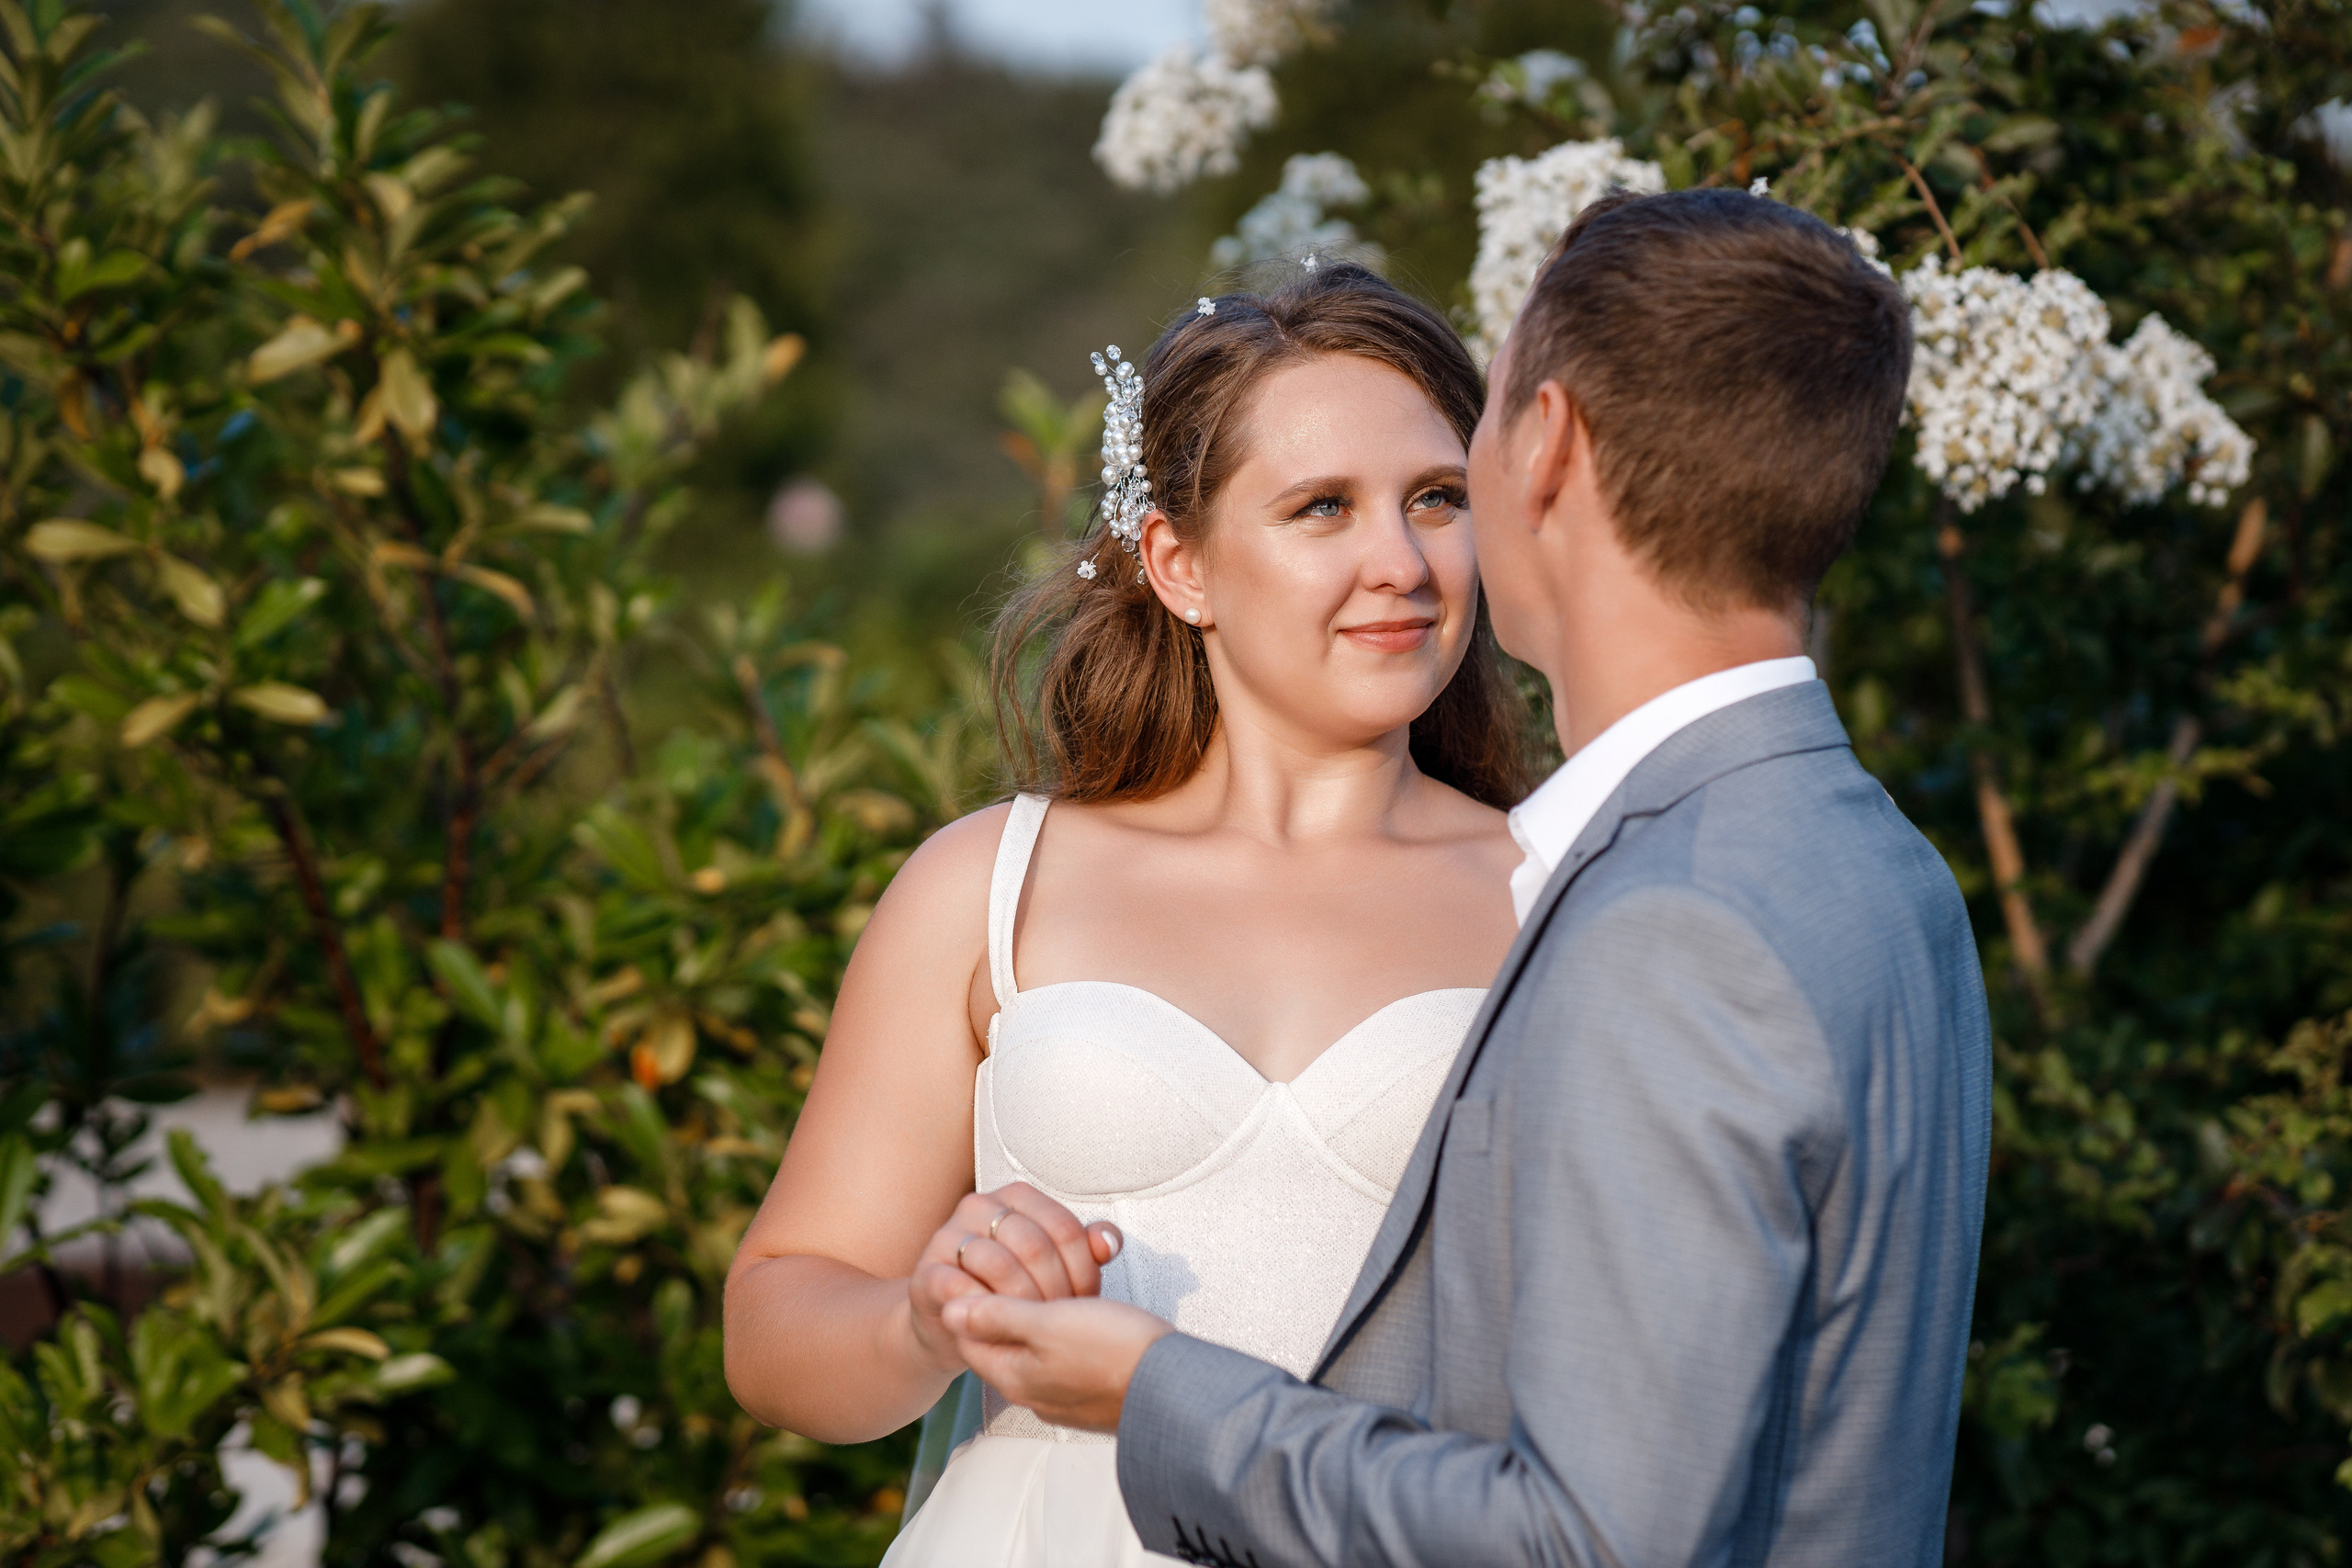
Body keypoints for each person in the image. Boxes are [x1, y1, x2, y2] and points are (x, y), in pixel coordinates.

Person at [937, 188, 1996, 1566]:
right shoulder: (1882, 867)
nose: (1411, 551)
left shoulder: (1669, 924)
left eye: (1462, 453)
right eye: (1324, 505)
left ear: (1545, 447)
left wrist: (1156, 1396)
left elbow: (1588, 1544)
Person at [722, 262, 1531, 1563]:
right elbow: (774, 1335)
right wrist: (926, 1320)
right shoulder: (991, 886)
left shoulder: (1561, 892)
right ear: (1179, 563)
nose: (1401, 563)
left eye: (1437, 498)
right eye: (1322, 507)